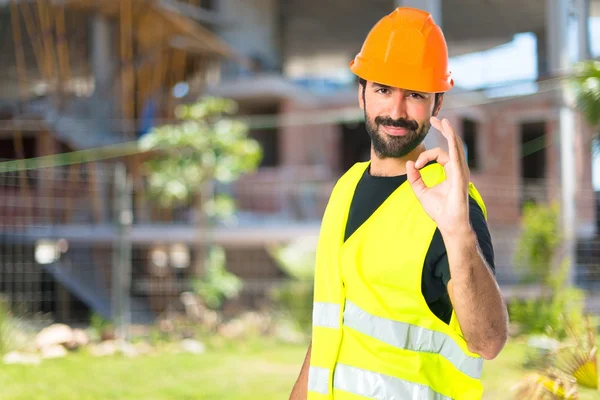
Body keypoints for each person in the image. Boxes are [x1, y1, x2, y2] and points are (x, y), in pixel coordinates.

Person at [289, 7, 509, 400]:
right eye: (383, 89)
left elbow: (489, 341)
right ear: (361, 93)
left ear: (437, 104)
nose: (396, 111)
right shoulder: (346, 187)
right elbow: (330, 330)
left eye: (416, 95)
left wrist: (459, 234)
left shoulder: (451, 202)